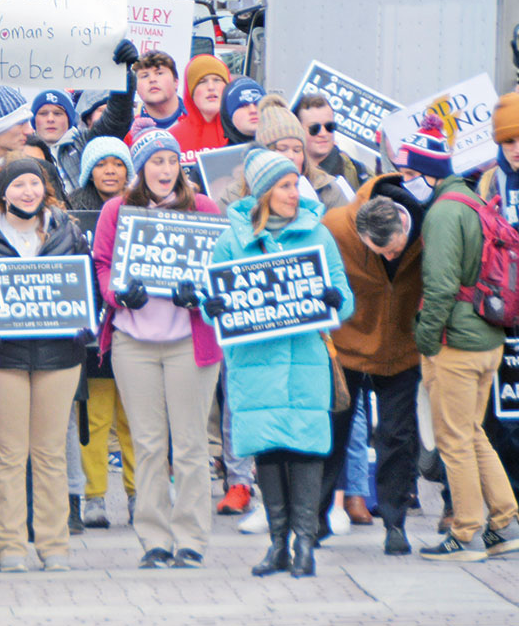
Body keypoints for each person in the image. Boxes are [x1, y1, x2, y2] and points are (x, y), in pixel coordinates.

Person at [207, 149, 354, 577]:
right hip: (255, 363)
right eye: (286, 185)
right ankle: (277, 544)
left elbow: (345, 298)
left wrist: (334, 300)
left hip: (304, 359)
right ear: (264, 192)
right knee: (268, 449)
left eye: (296, 184)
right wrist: (211, 304)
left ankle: (305, 543)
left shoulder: (318, 235)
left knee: (306, 449)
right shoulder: (231, 240)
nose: (295, 192)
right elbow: (210, 295)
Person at [91, 128, 222, 568]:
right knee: (147, 443)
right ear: (140, 169)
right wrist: (117, 294)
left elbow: (221, 268)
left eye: (171, 161)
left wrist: (199, 294)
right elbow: (103, 265)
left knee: (189, 444)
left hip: (189, 341)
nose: (165, 170)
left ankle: (191, 538)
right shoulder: (117, 209)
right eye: (155, 162)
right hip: (134, 341)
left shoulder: (202, 208)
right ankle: (154, 539)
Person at [414, 117, 519, 561]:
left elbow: (438, 286)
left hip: (456, 343)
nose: (406, 181)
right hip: (488, 339)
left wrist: (425, 340)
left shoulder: (442, 213)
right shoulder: (474, 201)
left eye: (408, 173)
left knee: (453, 438)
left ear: (426, 173)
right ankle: (503, 520)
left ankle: (465, 531)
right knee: (474, 433)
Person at [0, 158, 87, 572]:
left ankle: (54, 544)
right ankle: (8, 546)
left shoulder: (66, 229)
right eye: (19, 184)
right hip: (4, 357)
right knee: (8, 453)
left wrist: (84, 323)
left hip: (59, 355)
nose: (28, 191)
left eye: (35, 183)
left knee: (50, 452)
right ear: (2, 191)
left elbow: (85, 285)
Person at [320, 194, 423, 556]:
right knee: (333, 428)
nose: (387, 258)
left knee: (397, 434)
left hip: (401, 346)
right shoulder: (335, 225)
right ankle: (317, 517)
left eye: (393, 250)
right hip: (348, 341)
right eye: (377, 251)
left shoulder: (426, 224)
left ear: (404, 224)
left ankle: (395, 522)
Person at [295, 93, 370, 190]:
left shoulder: (360, 173)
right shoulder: (284, 171)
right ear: (298, 129)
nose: (323, 133)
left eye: (329, 127)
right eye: (314, 128)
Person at [170, 56, 230, 157]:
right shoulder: (172, 138)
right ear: (190, 92)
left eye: (217, 80)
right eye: (202, 81)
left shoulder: (240, 132)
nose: (211, 87)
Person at [134, 52, 184, 129]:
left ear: (176, 82)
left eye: (159, 73)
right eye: (144, 76)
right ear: (136, 88)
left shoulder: (199, 120)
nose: (152, 80)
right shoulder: (131, 130)